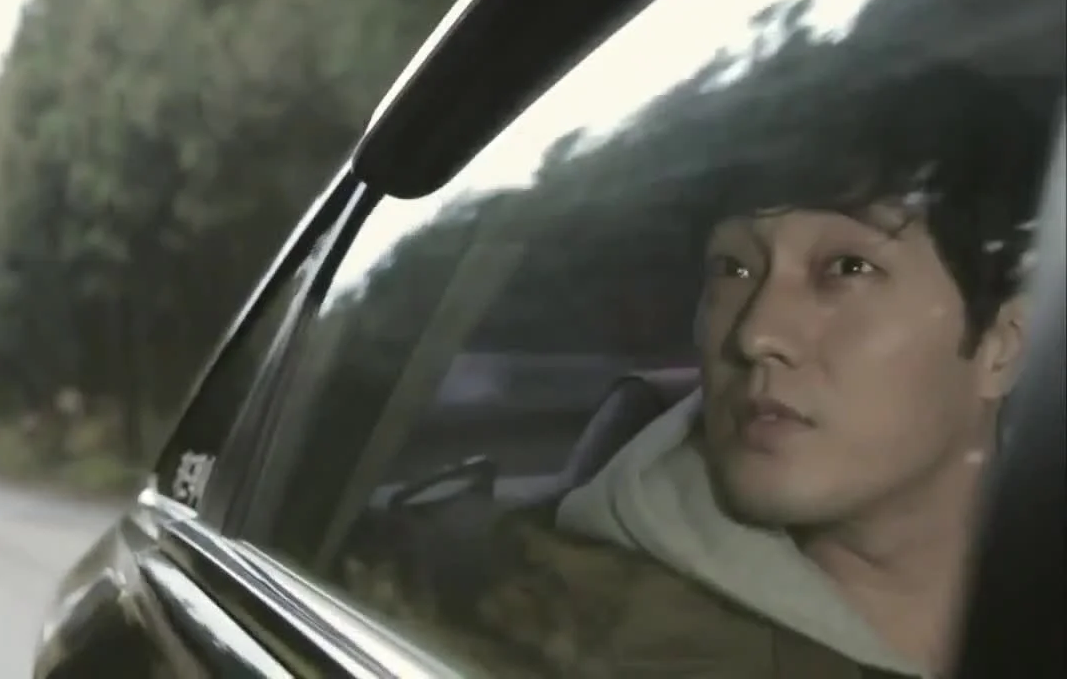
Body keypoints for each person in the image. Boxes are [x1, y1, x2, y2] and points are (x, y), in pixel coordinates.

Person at [341, 59, 1058, 679]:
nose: (756, 332)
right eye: (733, 268)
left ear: (1001, 345)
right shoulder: (560, 635)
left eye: (846, 267)